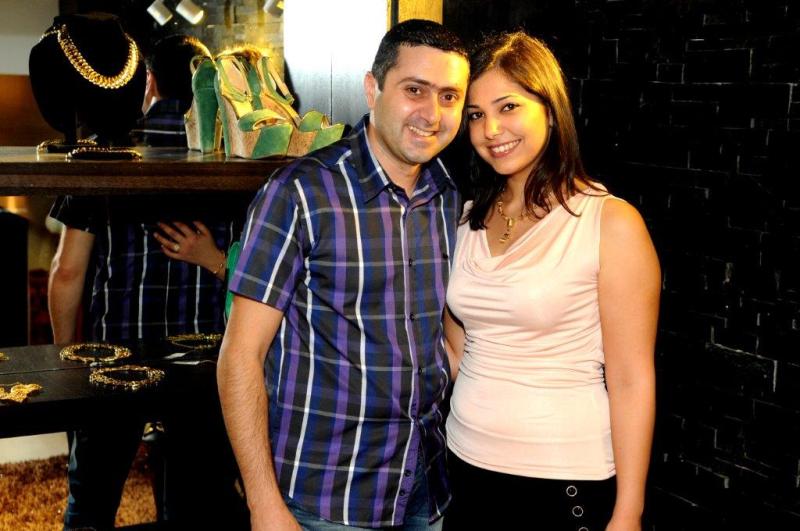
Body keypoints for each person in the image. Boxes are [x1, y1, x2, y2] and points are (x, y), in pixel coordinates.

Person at [217, 19, 470, 531]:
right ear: (373, 89)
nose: (432, 113)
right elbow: (240, 356)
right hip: (324, 497)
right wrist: (263, 503)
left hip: (423, 489)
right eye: (414, 90)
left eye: (449, 97)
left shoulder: (447, 195)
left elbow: (446, 328)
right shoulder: (300, 192)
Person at [442, 31, 660, 530]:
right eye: (475, 114)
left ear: (551, 109)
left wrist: (629, 512)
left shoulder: (610, 223)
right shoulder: (468, 219)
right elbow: (456, 352)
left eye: (508, 107)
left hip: (563, 478)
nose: (490, 129)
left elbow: (631, 380)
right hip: (464, 467)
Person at [48, 34, 244, 530]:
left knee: (90, 503)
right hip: (202, 363)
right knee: (196, 505)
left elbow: (67, 272)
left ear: (149, 81)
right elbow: (259, 275)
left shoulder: (104, 153)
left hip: (115, 360)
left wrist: (68, 364)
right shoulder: (231, 155)